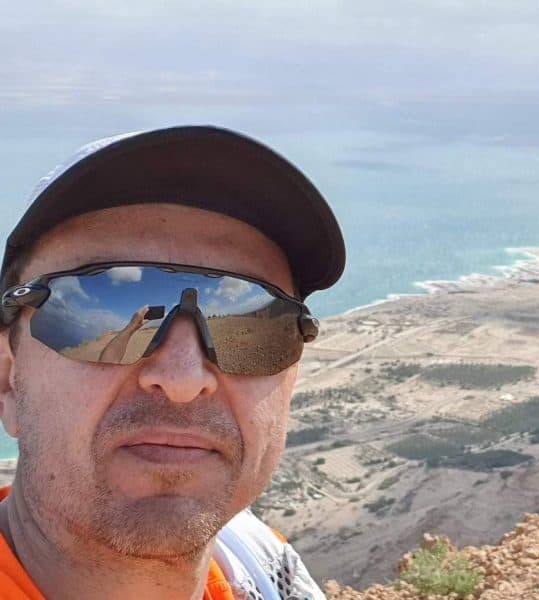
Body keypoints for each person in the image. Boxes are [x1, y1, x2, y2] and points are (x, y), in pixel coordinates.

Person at [0, 126, 345, 599]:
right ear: (8, 378)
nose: (183, 379)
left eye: (256, 319)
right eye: (108, 296)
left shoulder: (268, 572)